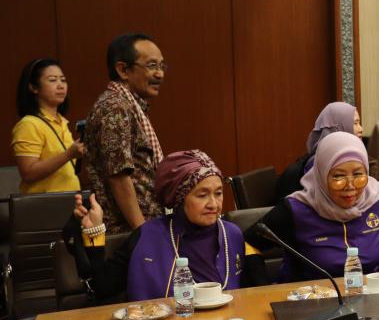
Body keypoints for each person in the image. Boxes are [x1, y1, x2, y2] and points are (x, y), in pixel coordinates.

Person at [64, 150, 256, 302]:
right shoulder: (147, 236)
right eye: (202, 195)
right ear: (179, 198)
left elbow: (251, 296)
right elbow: (103, 288)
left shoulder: (232, 235)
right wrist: (94, 233)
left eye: (219, 193)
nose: (213, 204)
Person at [246, 132, 379, 281]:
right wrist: (263, 289)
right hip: (312, 296)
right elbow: (248, 242)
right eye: (338, 176)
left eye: (358, 174)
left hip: (369, 294)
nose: (350, 186)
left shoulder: (378, 199)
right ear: (322, 175)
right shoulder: (297, 209)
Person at [83, 32, 166, 233]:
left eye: (162, 66)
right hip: (125, 233)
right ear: (123, 70)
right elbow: (119, 176)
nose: (160, 74)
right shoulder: (115, 107)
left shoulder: (130, 105)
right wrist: (142, 232)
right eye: (151, 65)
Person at [11, 58, 84, 194]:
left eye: (63, 80)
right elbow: (28, 173)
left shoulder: (62, 122)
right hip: (45, 204)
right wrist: (68, 154)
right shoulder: (29, 124)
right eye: (52, 80)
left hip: (71, 201)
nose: (61, 85)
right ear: (33, 87)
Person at [274, 102, 363, 201]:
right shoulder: (317, 163)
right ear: (338, 127)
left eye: (359, 123)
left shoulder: (351, 157)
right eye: (355, 123)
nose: (361, 129)